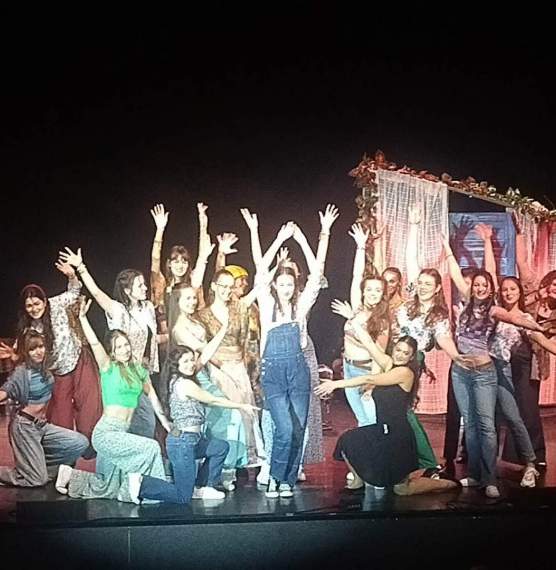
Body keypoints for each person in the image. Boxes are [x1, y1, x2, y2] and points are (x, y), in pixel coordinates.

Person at [244, 204, 338, 498]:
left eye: (290, 284)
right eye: (281, 283)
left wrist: (316, 236)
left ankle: (286, 480)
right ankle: (274, 476)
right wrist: (277, 239)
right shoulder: (267, 305)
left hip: (299, 369)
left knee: (298, 429)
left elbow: (317, 271)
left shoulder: (301, 306)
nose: (286, 288)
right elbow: (260, 268)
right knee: (283, 428)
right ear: (274, 284)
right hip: (273, 371)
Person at [54, 299, 171, 502]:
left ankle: (69, 475)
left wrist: (166, 423)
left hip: (122, 432)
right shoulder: (108, 367)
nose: (125, 349)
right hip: (107, 432)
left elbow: (152, 397)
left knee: (108, 484)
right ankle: (154, 492)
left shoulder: (139, 370)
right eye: (119, 347)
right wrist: (82, 318)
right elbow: (94, 343)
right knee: (151, 447)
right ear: (112, 352)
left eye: (126, 345)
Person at [316, 336, 456, 496]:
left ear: (411, 357)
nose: (400, 355)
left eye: (405, 353)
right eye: (398, 350)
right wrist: (356, 326)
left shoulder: (405, 373)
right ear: (393, 349)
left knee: (401, 489)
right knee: (347, 441)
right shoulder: (389, 364)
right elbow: (370, 345)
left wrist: (335, 384)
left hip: (397, 436)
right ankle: (357, 480)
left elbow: (369, 378)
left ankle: (447, 483)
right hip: (381, 430)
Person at [136, 343, 259, 504]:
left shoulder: (181, 378)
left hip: (193, 440)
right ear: (176, 364)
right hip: (183, 443)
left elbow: (205, 355)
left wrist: (222, 331)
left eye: (192, 360)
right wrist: (241, 406)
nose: (191, 364)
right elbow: (212, 399)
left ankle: (203, 486)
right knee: (183, 496)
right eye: (186, 361)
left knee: (220, 447)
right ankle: (141, 484)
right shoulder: (184, 384)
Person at [58, 247, 160, 440]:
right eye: (140, 285)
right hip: (120, 375)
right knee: (128, 424)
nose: (145, 288)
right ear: (127, 290)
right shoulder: (117, 309)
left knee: (146, 424)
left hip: (140, 372)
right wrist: (81, 267)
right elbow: (96, 293)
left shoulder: (148, 308)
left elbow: (151, 339)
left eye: (144, 284)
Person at [0, 261, 102, 444]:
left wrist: (72, 275)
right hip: (57, 374)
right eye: (29, 306)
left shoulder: (56, 304)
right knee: (61, 421)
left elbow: (74, 292)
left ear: (44, 301)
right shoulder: (28, 329)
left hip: (79, 362)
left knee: (89, 412)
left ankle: (91, 446)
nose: (34, 309)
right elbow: (25, 356)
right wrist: (14, 356)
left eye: (36, 303)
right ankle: (65, 454)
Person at [0, 331, 89, 487]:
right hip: (24, 427)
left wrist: (14, 356)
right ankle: (13, 474)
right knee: (37, 480)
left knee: (79, 443)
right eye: (32, 349)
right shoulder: (22, 372)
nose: (38, 351)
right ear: (27, 352)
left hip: (42, 426)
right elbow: (6, 390)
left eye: (40, 346)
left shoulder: (45, 366)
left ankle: (37, 468)